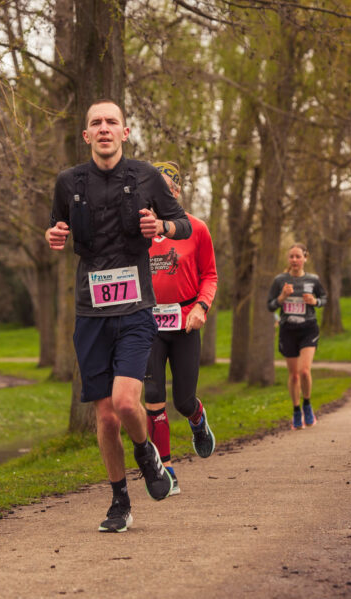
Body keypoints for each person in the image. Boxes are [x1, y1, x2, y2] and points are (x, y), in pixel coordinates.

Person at [45, 99, 191, 533]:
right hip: (90, 313)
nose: (104, 129)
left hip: (135, 309)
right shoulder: (68, 182)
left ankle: (146, 455)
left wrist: (161, 229)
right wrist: (53, 234)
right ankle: (119, 501)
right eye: (96, 123)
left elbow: (181, 223)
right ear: (86, 136)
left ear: (125, 133)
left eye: (112, 122)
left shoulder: (146, 177)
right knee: (106, 417)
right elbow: (56, 227)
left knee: (128, 402)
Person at [144, 161, 218, 496]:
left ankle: (198, 419)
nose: (161, 196)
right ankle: (166, 470)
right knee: (154, 397)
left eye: (167, 189)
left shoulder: (196, 228)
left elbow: (210, 276)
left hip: (187, 321)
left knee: (183, 399)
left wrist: (202, 307)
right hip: (149, 323)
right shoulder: (141, 232)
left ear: (177, 192)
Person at [267, 243, 328, 429]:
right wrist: (282, 297)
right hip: (288, 330)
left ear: (305, 259)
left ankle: (307, 404)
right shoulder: (280, 281)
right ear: (288, 259)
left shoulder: (313, 280)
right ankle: (296, 410)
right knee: (293, 376)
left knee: (304, 371)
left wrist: (315, 301)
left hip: (308, 328)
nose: (294, 260)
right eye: (291, 257)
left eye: (298, 256)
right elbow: (270, 305)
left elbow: (324, 299)